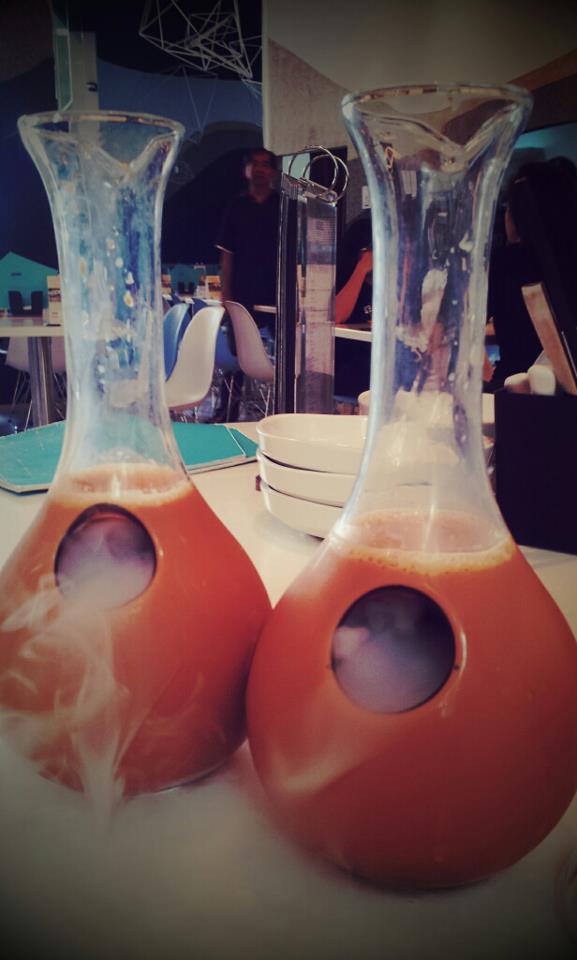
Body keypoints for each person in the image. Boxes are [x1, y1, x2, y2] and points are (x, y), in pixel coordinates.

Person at [214, 148, 280, 418]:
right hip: (242, 292)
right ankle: (227, 411)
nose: (260, 168)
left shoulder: (283, 206)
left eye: (266, 164)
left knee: (284, 352)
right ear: (246, 170)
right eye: (255, 164)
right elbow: (227, 254)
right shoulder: (236, 206)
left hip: (277, 293)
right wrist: (226, 295)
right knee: (237, 356)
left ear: (273, 172)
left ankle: (281, 410)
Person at [333, 212, 373, 403]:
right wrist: (362, 269)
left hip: (377, 362)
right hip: (349, 366)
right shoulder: (347, 280)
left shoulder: (390, 283)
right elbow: (336, 316)